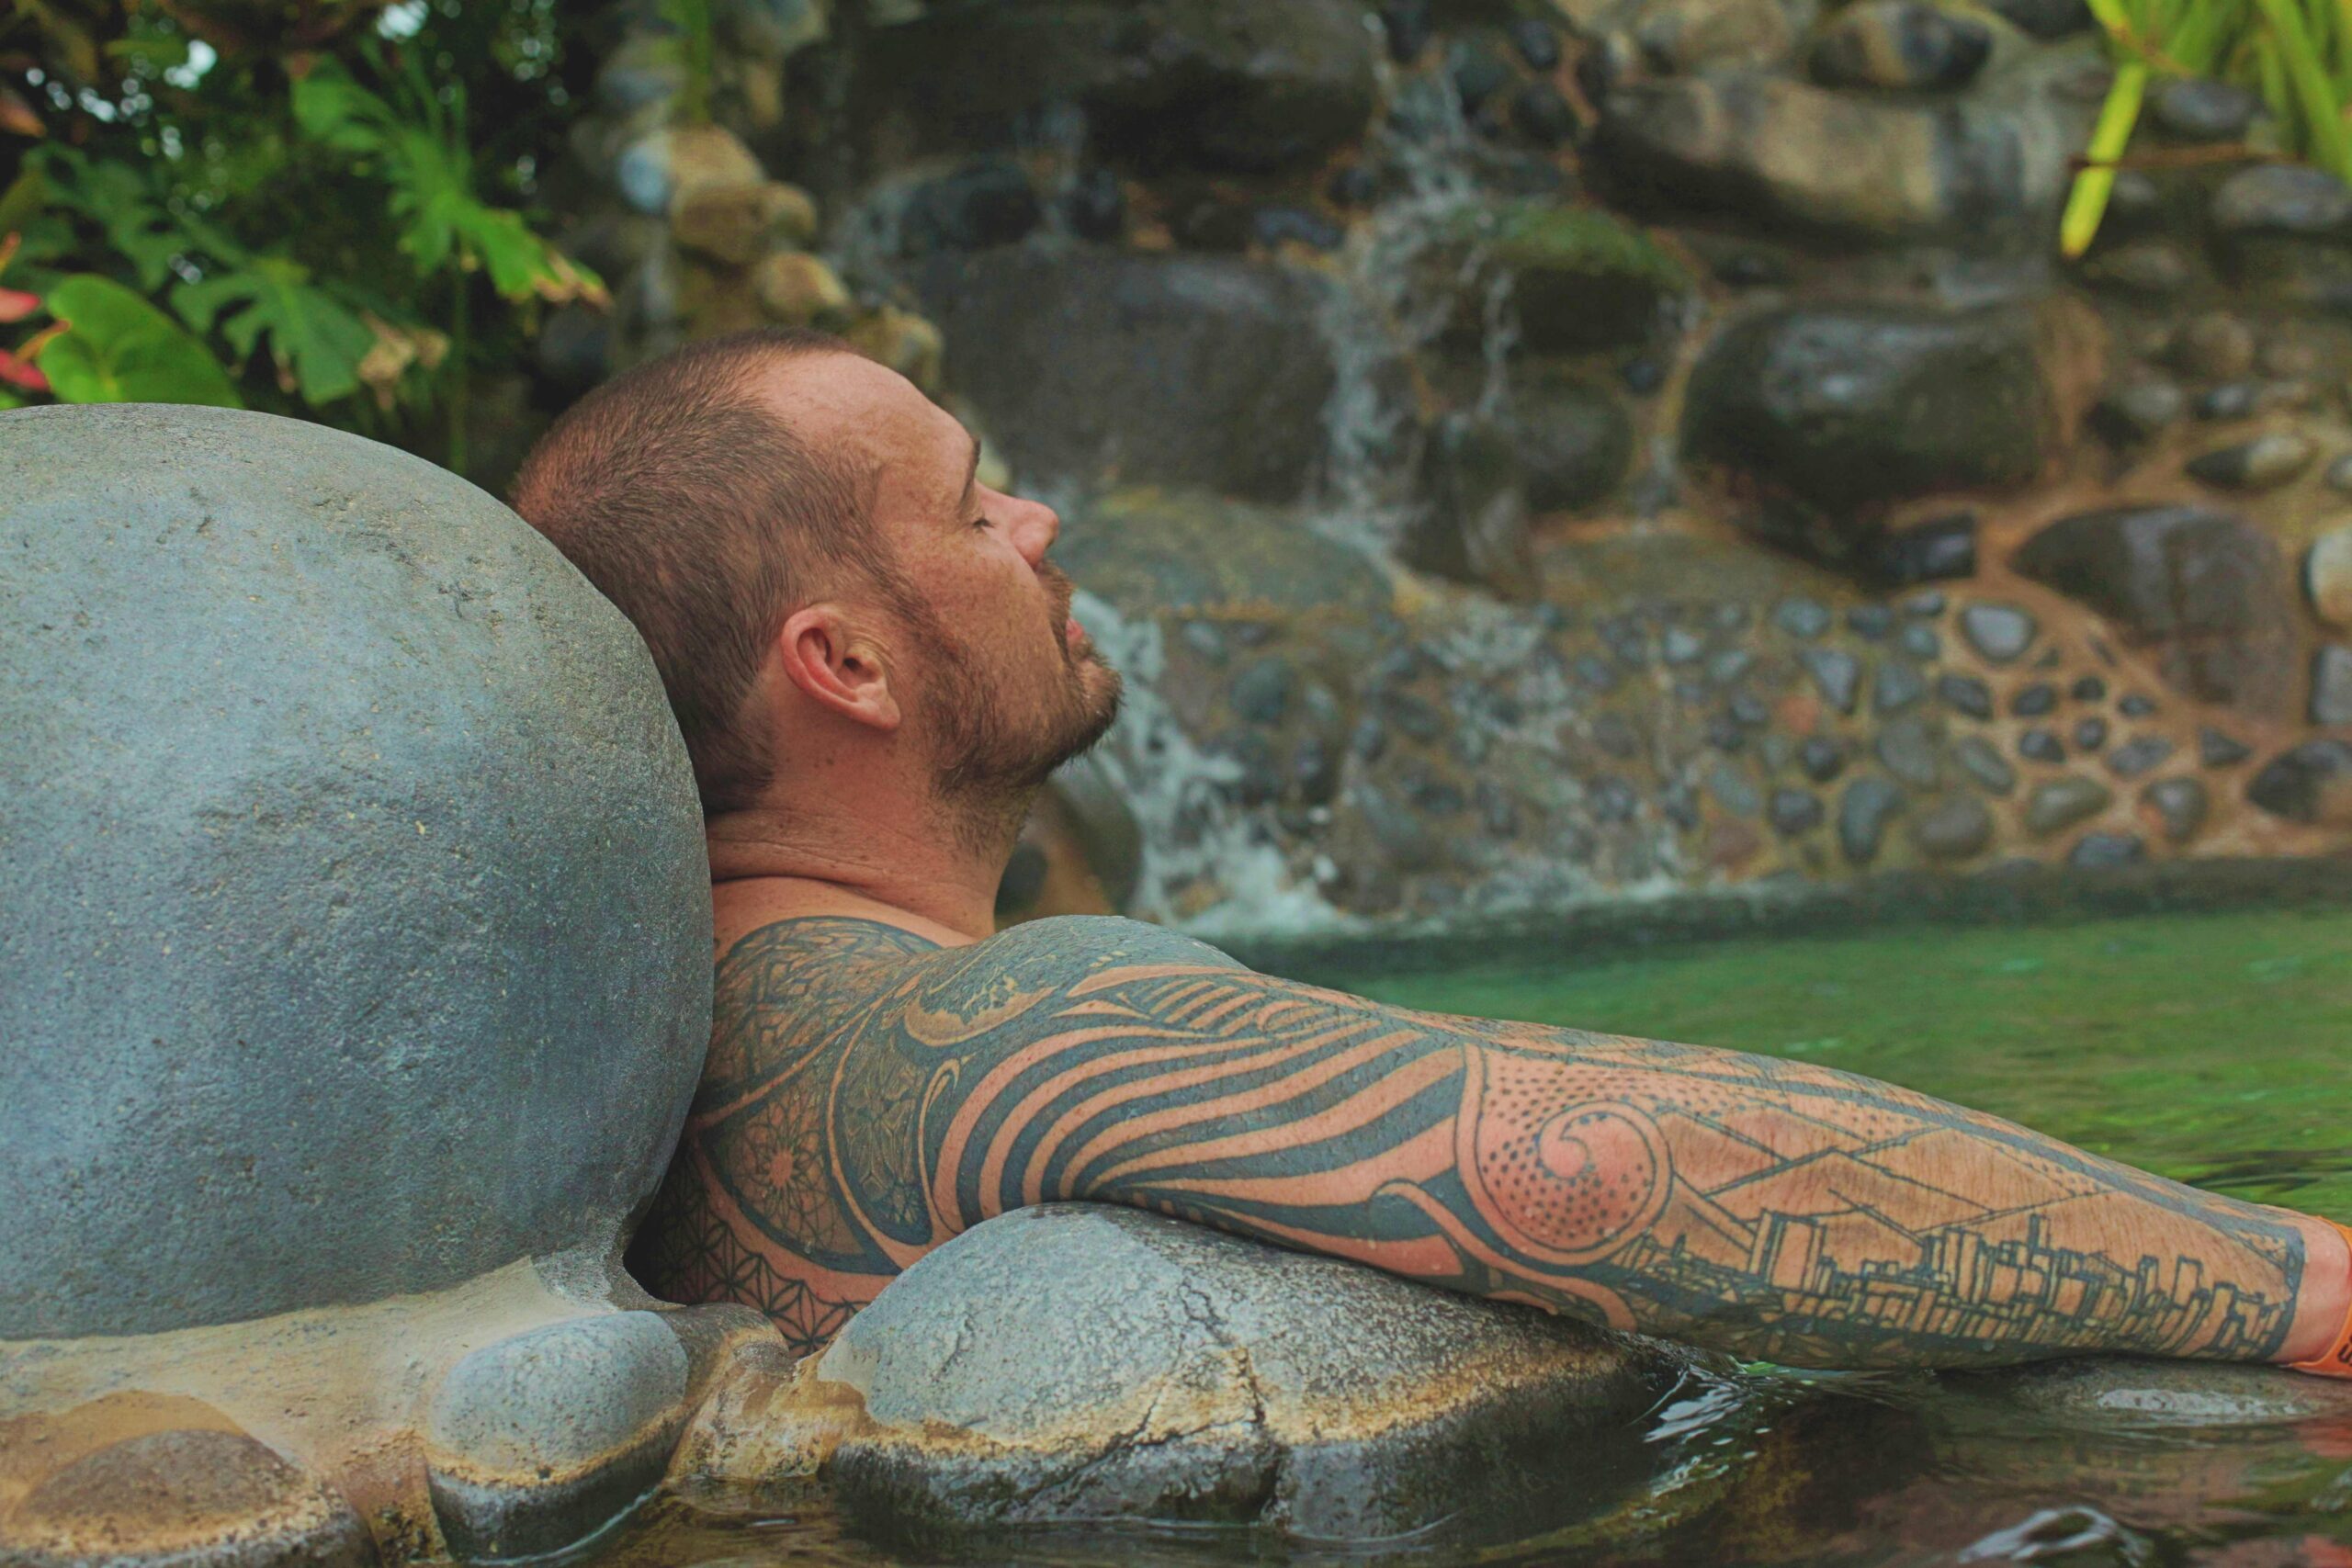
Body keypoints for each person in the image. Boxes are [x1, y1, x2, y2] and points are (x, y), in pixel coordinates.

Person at [510, 326, 2352, 1377]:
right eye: (972, 496)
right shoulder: (971, 1034)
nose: (1040, 518)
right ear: (840, 661)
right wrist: (2297, 1280)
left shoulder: (659, 1068)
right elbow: (1587, 1166)